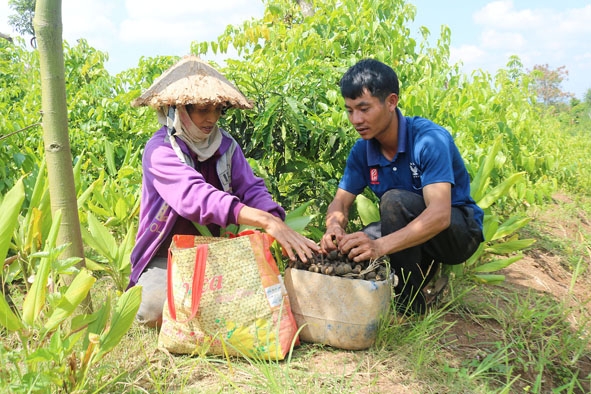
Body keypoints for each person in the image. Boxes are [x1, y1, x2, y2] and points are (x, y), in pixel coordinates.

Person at [129, 55, 319, 327]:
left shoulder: (225, 146)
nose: (212, 118)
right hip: (168, 255)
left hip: (217, 251)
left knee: (269, 295)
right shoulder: (160, 151)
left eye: (218, 109)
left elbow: (251, 188)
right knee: (153, 310)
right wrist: (263, 221)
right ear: (178, 109)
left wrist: (273, 217)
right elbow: (195, 197)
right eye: (203, 109)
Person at [321, 59, 484, 314]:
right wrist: (334, 227)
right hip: (411, 231)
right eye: (350, 110)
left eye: (364, 108)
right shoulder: (362, 151)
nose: (356, 119)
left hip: (458, 234)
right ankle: (389, 295)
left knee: (394, 201)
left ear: (391, 102)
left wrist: (381, 246)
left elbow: (440, 215)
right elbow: (341, 201)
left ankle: (409, 309)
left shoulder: (429, 139)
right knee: (355, 244)